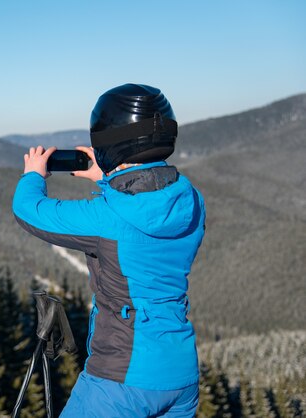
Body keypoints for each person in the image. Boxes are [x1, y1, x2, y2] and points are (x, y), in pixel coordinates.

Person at [12, 84, 206, 417]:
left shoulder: (108, 219)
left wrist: (33, 175)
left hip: (122, 377)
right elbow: (146, 203)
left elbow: (29, 211)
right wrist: (110, 178)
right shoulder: (192, 201)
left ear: (108, 142)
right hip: (180, 375)